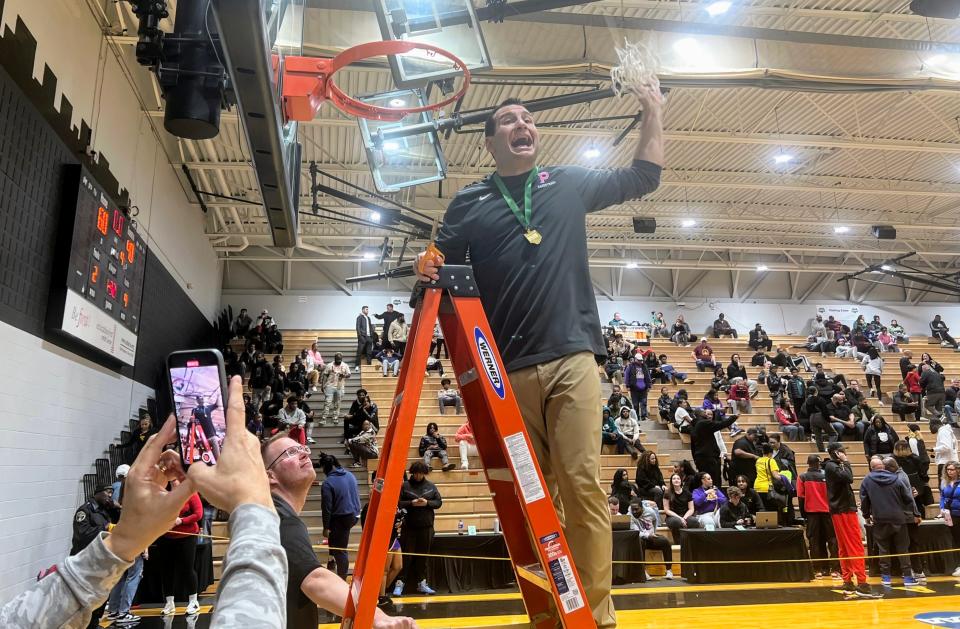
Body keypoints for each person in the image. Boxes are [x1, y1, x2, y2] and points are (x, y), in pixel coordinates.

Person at [422, 86, 664, 628]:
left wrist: (654, 112)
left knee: (581, 484)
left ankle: (595, 616)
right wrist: (425, 267)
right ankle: (554, 613)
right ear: (490, 142)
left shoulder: (568, 183)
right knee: (537, 499)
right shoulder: (468, 201)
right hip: (503, 372)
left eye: (528, 117)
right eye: (507, 119)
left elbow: (644, 177)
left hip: (572, 356)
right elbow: (441, 272)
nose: (522, 123)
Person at [2, 379, 292, 629]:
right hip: (169, 536)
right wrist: (254, 508)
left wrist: (124, 541)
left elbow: (19, 621)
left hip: (176, 535)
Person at [262, 431, 417, 629]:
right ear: (270, 476)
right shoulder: (278, 518)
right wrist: (377, 617)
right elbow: (315, 579)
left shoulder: (275, 515)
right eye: (290, 452)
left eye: (302, 448)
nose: (303, 453)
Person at [824, 443, 875, 597]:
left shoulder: (831, 466)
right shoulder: (834, 466)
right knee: (854, 545)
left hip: (838, 510)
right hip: (844, 510)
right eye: (842, 452)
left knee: (845, 547)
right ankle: (862, 582)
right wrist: (846, 462)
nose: (845, 454)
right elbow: (849, 478)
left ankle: (847, 580)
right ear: (836, 453)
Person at [860, 458, 919, 586]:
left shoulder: (867, 480)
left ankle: (886, 577)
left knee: (883, 549)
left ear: (871, 467)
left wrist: (866, 515)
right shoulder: (896, 478)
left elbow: (864, 501)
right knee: (903, 548)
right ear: (883, 466)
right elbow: (908, 498)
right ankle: (908, 577)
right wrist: (912, 512)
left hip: (880, 519)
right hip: (898, 518)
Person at [394, 461, 442, 596]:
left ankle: (422, 583)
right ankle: (400, 583)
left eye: (421, 473)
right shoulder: (405, 486)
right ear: (412, 473)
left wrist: (427, 503)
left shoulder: (431, 487)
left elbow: (438, 503)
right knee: (407, 557)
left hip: (426, 527)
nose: (418, 476)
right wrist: (411, 503)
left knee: (423, 557)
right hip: (409, 527)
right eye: (416, 473)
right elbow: (398, 502)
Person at [157, 483, 203, 616]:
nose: (174, 482)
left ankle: (193, 602)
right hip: (166, 537)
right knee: (167, 570)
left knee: (187, 568)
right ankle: (169, 603)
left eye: (177, 479)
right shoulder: (165, 495)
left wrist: (181, 521)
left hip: (187, 536)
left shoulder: (191, 493)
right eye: (172, 480)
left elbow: (198, 514)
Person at [319, 454, 361, 581]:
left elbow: (326, 508)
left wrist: (326, 527)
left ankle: (342, 579)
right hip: (354, 514)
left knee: (340, 550)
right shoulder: (349, 475)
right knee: (335, 540)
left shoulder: (328, 483)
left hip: (342, 517)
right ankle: (331, 561)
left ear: (325, 468)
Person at [796, 455, 838, 578]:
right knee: (832, 540)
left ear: (807, 463)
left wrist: (804, 515)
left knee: (815, 541)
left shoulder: (802, 477)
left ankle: (818, 569)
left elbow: (801, 497)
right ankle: (835, 569)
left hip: (812, 514)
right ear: (819, 463)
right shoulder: (826, 476)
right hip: (827, 512)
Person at [689, 408, 738, 485]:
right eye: (704, 412)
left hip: (700, 458)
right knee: (714, 481)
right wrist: (733, 417)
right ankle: (714, 496)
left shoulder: (693, 426)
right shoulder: (703, 423)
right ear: (700, 414)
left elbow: (693, 446)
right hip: (709, 458)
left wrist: (695, 459)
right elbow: (721, 424)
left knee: (704, 481)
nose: (706, 414)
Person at [628, 500, 674, 580]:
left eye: (636, 509)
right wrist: (647, 535)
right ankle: (643, 571)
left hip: (651, 536)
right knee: (640, 541)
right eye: (633, 510)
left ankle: (669, 570)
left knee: (665, 542)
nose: (634, 512)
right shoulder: (630, 516)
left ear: (642, 508)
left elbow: (655, 521)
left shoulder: (650, 512)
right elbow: (635, 532)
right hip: (640, 538)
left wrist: (653, 532)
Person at [753, 444, 785, 522]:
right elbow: (776, 476)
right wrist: (784, 477)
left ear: (763, 452)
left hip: (757, 486)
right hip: (767, 488)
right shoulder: (771, 461)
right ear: (771, 453)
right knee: (771, 509)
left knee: (761, 508)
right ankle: (771, 526)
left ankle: (761, 525)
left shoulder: (758, 460)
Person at [662, 472, 699, 539]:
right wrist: (680, 518)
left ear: (681, 481)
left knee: (694, 521)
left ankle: (691, 542)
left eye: (678, 479)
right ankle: (679, 544)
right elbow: (666, 510)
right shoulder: (667, 493)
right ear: (671, 481)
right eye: (674, 479)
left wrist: (684, 518)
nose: (676, 480)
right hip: (672, 517)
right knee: (676, 522)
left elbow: (691, 509)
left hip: (685, 515)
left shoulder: (687, 493)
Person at [940, 461, 960, 577]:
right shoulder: (944, 482)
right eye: (948, 470)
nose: (949, 472)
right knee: (955, 540)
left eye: (952, 469)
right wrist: (942, 508)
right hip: (950, 515)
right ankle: (958, 565)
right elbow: (942, 497)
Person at [321, 353, 351, 426]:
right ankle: (324, 418)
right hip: (329, 385)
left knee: (337, 403)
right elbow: (325, 375)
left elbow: (349, 374)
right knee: (327, 402)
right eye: (337, 359)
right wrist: (322, 385)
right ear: (334, 358)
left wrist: (344, 375)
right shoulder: (329, 365)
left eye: (340, 360)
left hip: (339, 386)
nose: (338, 361)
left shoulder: (345, 365)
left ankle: (335, 417)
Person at [623, 354, 652, 420]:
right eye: (639, 360)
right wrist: (627, 385)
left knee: (644, 403)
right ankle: (636, 417)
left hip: (644, 387)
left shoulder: (644, 366)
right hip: (634, 387)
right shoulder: (630, 366)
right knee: (635, 404)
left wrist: (649, 385)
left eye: (641, 360)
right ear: (635, 359)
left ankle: (644, 416)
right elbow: (627, 376)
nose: (640, 362)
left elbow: (648, 376)